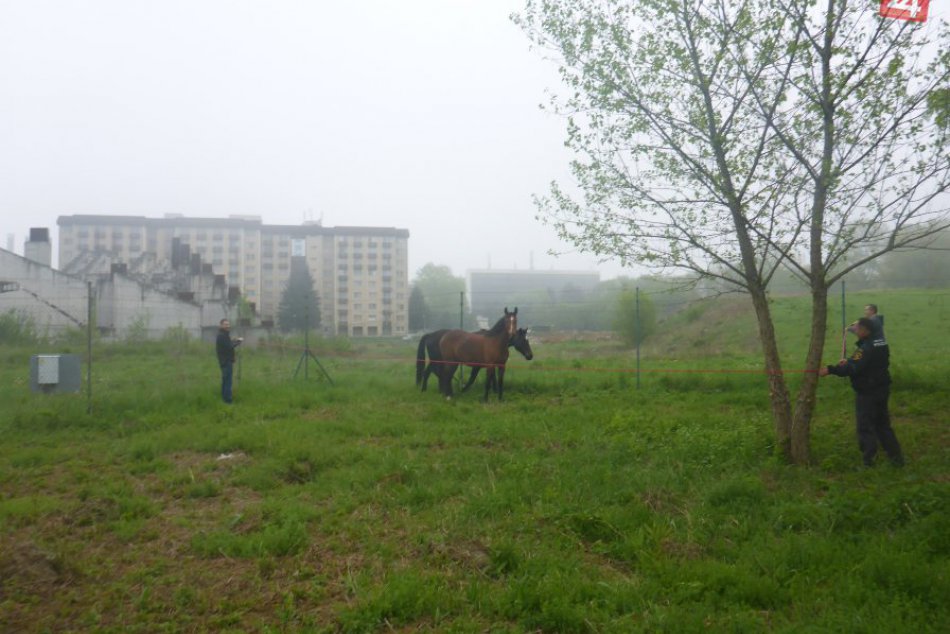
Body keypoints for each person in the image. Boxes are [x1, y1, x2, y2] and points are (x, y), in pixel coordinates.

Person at [820, 317, 903, 467]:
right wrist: (851, 362)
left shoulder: (866, 348)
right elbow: (862, 363)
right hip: (882, 388)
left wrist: (831, 369)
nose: (855, 331)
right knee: (883, 424)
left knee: (865, 426)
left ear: (865, 330)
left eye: (857, 328)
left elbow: (853, 368)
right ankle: (896, 458)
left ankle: (868, 461)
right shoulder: (881, 343)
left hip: (868, 392)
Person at [216, 318, 243, 404]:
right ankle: (228, 401)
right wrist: (238, 342)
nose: (227, 326)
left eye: (228, 324)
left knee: (225, 380)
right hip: (226, 361)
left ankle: (224, 398)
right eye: (225, 324)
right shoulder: (222, 335)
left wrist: (235, 340)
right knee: (228, 381)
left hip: (225, 361)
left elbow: (228, 343)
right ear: (221, 325)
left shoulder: (224, 334)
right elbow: (229, 346)